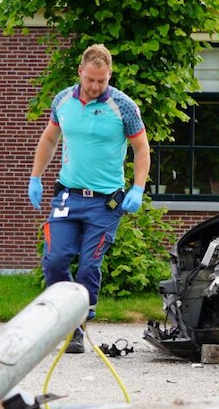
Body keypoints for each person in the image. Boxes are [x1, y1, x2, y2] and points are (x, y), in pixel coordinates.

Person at [26, 44, 150, 353]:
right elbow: (50, 138)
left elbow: (142, 148)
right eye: (90, 79)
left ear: (110, 75)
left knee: (89, 264)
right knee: (54, 259)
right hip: (67, 194)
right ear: (80, 72)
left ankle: (78, 324)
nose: (95, 86)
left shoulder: (123, 106)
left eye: (102, 81)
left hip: (106, 201)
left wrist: (137, 187)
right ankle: (64, 317)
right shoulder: (63, 101)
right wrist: (36, 176)